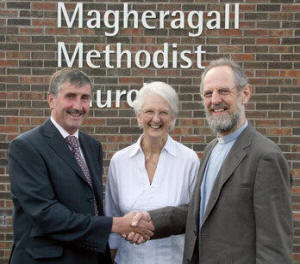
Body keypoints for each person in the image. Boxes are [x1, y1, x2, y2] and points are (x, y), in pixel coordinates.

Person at [130, 58, 293, 263]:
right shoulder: (211, 149)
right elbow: (200, 213)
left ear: (245, 94)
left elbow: (274, 247)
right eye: (208, 93)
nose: (215, 100)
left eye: (223, 91)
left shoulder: (265, 157)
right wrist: (152, 220)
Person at [8, 68, 153, 264]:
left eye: (84, 98)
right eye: (70, 96)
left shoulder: (92, 146)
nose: (78, 106)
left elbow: (90, 204)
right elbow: (45, 214)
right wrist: (115, 225)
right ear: (51, 100)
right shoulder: (26, 147)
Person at [105, 81, 200, 264]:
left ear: (172, 118)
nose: (156, 119)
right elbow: (112, 217)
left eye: (163, 112)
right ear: (139, 116)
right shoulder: (119, 161)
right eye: (149, 111)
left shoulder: (189, 160)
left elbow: (194, 217)